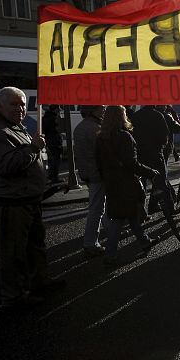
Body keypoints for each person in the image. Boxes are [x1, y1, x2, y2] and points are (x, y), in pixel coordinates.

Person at [0, 87, 64, 307]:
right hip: (11, 202)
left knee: (34, 245)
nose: (20, 108)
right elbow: (7, 165)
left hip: (27, 199)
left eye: (23, 104)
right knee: (13, 252)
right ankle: (14, 296)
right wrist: (33, 148)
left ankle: (39, 281)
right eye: (14, 104)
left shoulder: (14, 126)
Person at [96, 106, 161, 265]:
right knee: (119, 218)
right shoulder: (124, 137)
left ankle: (145, 241)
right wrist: (151, 172)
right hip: (125, 182)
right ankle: (110, 254)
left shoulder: (101, 138)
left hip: (111, 182)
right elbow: (132, 163)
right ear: (121, 117)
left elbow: (99, 163)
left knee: (129, 214)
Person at [131, 105, 180, 229]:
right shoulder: (158, 115)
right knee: (161, 180)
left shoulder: (136, 116)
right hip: (155, 153)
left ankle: (141, 211)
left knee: (140, 183)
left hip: (140, 154)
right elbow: (164, 136)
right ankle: (170, 208)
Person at [74, 105, 108, 257]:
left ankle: (110, 229)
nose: (104, 111)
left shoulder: (80, 127)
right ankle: (90, 243)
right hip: (97, 173)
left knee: (101, 204)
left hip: (86, 172)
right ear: (92, 111)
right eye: (101, 109)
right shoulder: (95, 129)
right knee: (96, 209)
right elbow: (103, 153)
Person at [42, 105, 63, 182]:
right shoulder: (53, 118)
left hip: (50, 139)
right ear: (55, 109)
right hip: (54, 140)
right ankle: (54, 177)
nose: (59, 110)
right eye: (58, 108)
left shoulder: (46, 116)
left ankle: (51, 176)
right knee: (56, 158)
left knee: (54, 158)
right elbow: (56, 129)